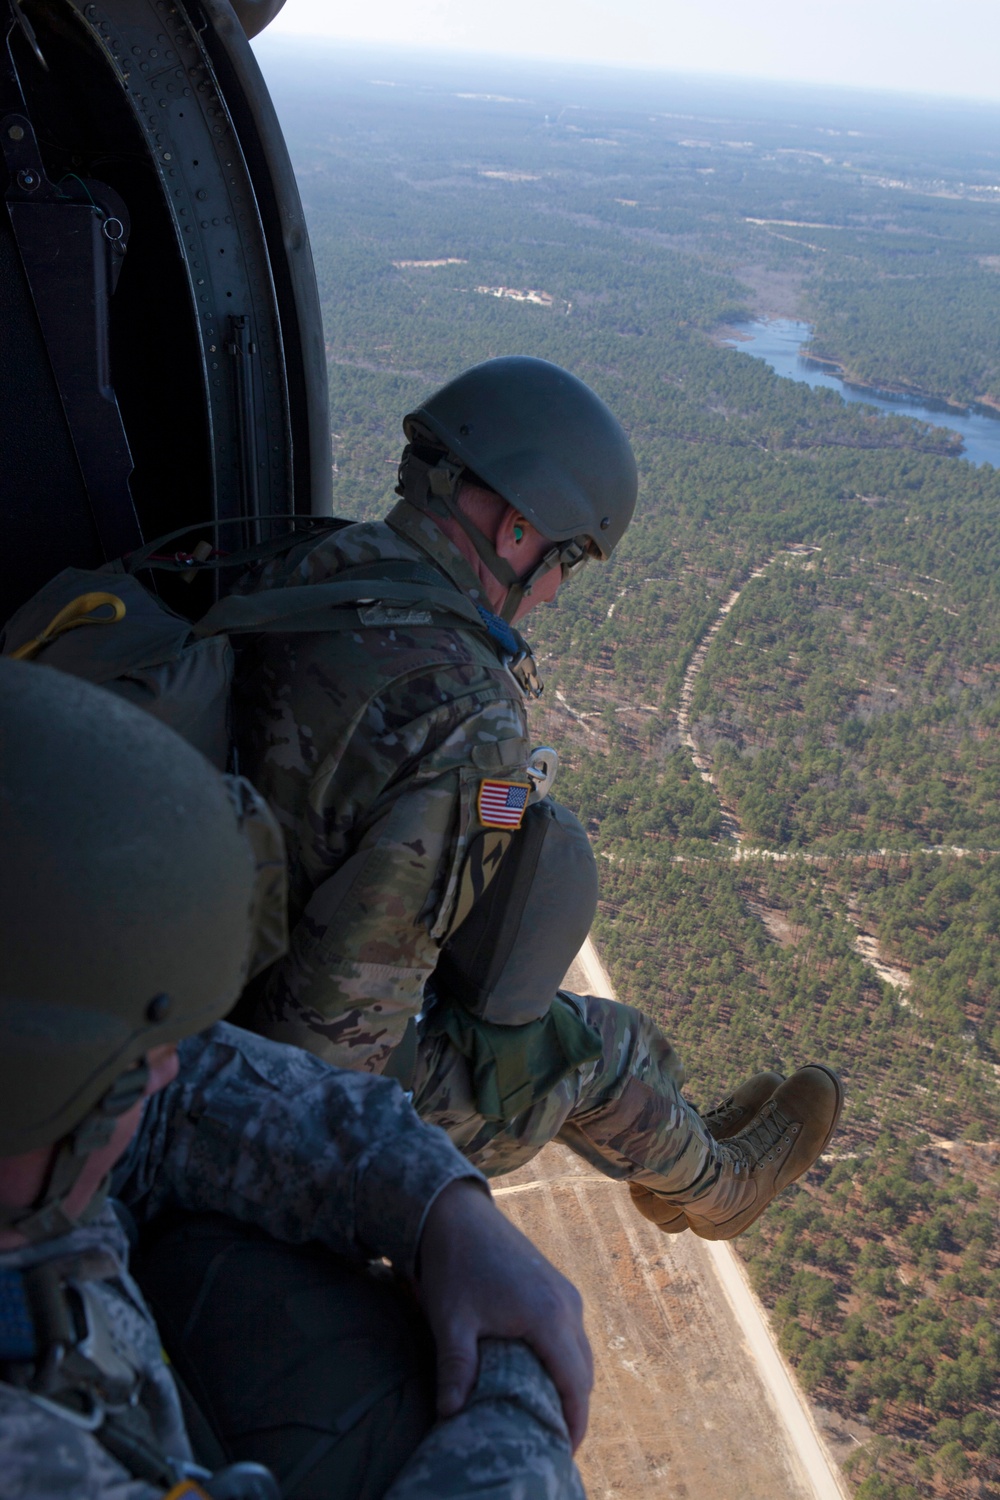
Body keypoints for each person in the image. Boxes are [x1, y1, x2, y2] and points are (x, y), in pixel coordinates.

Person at [233, 354, 843, 1242]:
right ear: (517, 528)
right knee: (593, 1048)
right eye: (564, 562)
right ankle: (717, 1188)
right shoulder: (461, 717)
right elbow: (341, 1047)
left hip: (221, 959)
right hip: (284, 1086)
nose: (553, 591)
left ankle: (672, 1148)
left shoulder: (312, 561)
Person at [0, 658, 591, 1500]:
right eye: (131, 1063)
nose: (165, 1068)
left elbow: (187, 1099)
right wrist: (520, 1390)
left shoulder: (35, 1137)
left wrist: (442, 1208)